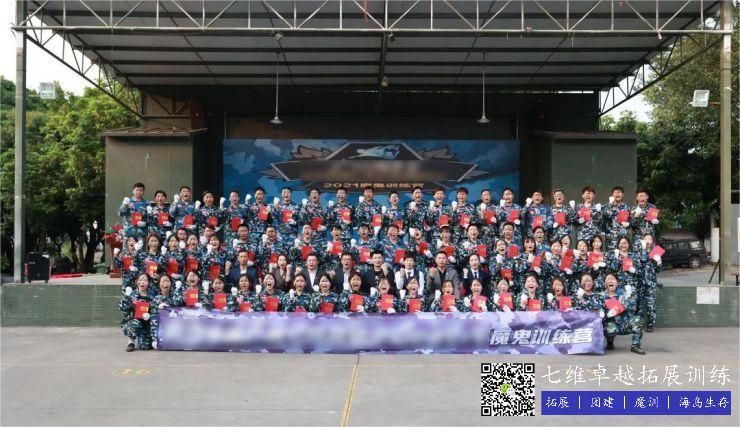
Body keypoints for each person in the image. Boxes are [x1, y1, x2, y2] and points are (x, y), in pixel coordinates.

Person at [601, 273, 645, 354]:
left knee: (638, 320)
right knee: (607, 327)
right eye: (608, 279)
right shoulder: (602, 296)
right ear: (604, 283)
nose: (610, 280)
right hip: (613, 325)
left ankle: (635, 345)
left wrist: (622, 306)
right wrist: (606, 314)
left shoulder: (626, 293)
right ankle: (610, 342)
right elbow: (599, 313)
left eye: (612, 279)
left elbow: (633, 306)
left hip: (626, 323)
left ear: (617, 282)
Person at [119, 274, 154, 352]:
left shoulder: (152, 295)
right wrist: (127, 296)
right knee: (135, 324)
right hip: (133, 321)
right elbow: (123, 308)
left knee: (145, 346)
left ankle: (142, 337)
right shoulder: (132, 294)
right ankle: (131, 342)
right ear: (136, 282)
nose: (142, 282)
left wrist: (150, 315)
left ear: (149, 283)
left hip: (146, 323)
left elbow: (156, 310)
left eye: (145, 280)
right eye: (140, 280)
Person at [635, 234, 662, 332]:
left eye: (649, 239)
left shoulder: (655, 252)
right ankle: (638, 324)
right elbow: (637, 264)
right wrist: (642, 249)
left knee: (651, 304)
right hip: (639, 282)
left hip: (651, 283)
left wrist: (658, 262)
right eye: (645, 239)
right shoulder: (638, 252)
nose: (647, 240)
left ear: (652, 241)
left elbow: (658, 270)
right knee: (639, 305)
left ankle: (650, 325)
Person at [149, 275, 182, 348]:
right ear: (159, 284)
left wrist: (177, 289)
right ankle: (157, 339)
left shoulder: (175, 294)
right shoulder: (156, 298)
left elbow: (178, 301)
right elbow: (153, 319)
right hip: (163, 326)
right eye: (163, 281)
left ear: (171, 284)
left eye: (167, 281)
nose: (165, 283)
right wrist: (155, 338)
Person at [602, 186, 631, 251]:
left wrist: (628, 223)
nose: (617, 194)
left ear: (623, 195)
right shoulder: (606, 206)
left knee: (623, 255)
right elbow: (604, 217)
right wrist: (610, 205)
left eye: (619, 192)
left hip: (623, 238)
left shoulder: (627, 207)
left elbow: (631, 220)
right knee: (611, 255)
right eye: (615, 192)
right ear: (612, 195)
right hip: (611, 238)